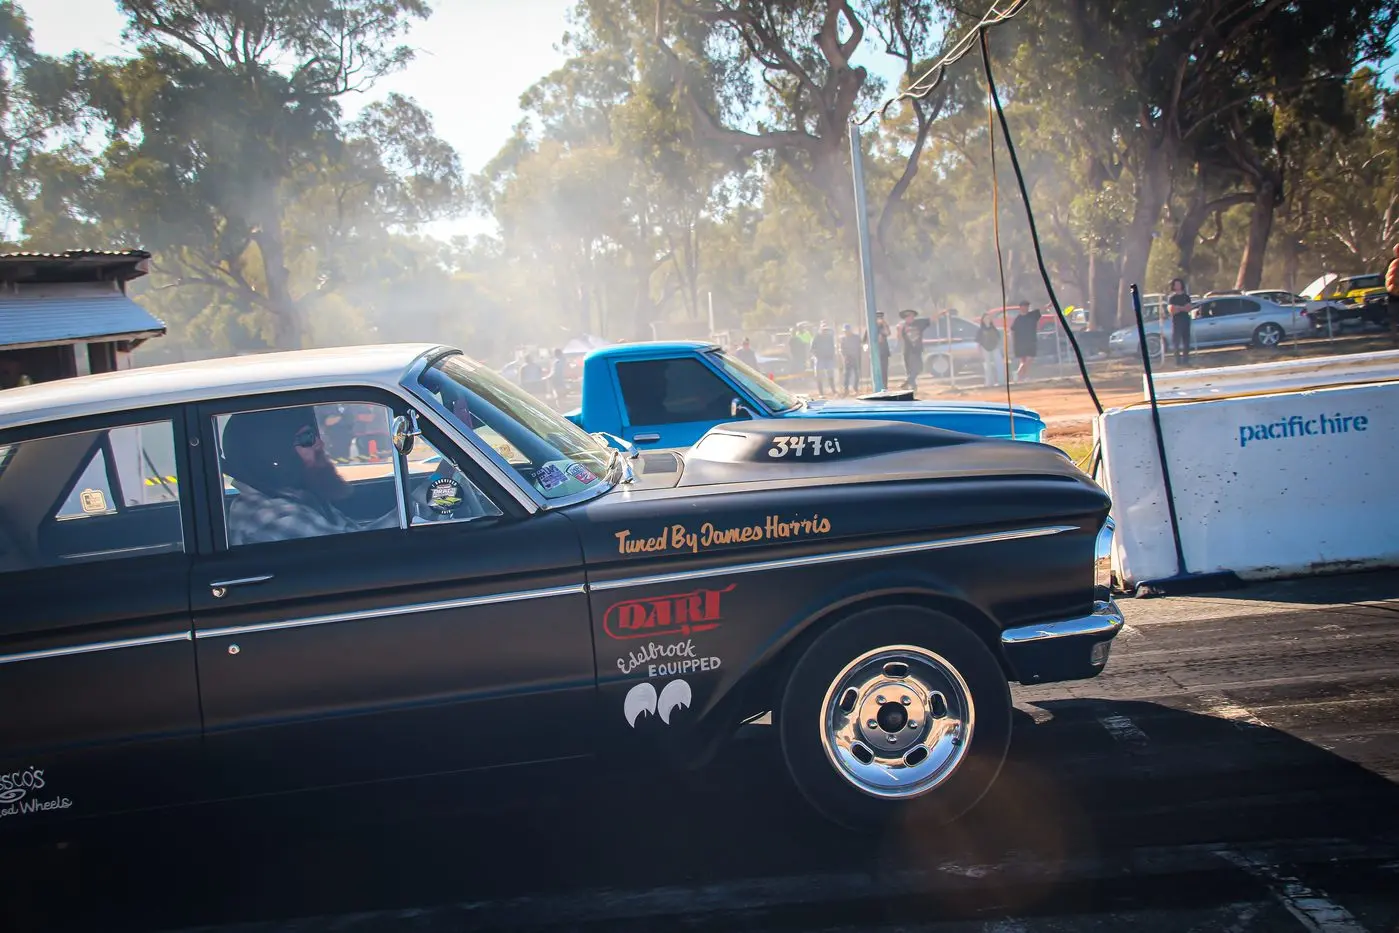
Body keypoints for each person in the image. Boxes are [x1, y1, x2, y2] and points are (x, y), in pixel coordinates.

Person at [221, 406, 399, 546]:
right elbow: (357, 556)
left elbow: (354, 536)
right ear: (275, 456)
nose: (320, 443)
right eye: (307, 439)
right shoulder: (275, 517)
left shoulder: (289, 498)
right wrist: (418, 506)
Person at [896, 309, 929, 390]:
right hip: (908, 351)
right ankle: (912, 386)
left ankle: (908, 383)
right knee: (911, 370)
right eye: (908, 317)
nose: (910, 318)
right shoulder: (902, 326)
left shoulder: (919, 323)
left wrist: (941, 313)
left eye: (911, 316)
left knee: (919, 368)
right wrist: (899, 330)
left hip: (917, 350)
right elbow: (899, 338)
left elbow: (931, 319)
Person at [1010, 301, 1041, 382]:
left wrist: (1049, 305)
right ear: (1020, 308)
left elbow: (1041, 310)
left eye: (1027, 306)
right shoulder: (1018, 319)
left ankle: (1019, 375)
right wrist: (1013, 342)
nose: (1026, 307)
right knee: (1023, 361)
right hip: (1020, 343)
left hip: (1031, 341)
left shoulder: (1032, 315)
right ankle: (1022, 376)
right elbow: (1012, 330)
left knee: (1029, 359)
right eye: (1024, 306)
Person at [1167, 277, 1193, 365]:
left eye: (1179, 284)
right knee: (1176, 342)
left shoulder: (1186, 297)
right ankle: (1177, 361)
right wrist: (1181, 308)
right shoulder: (1172, 297)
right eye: (1175, 284)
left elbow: (1189, 308)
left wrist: (1178, 308)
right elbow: (1171, 310)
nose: (1177, 286)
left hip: (1186, 320)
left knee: (1186, 341)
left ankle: (1186, 360)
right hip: (1176, 321)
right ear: (1173, 286)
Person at [863, 311, 891, 389]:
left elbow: (888, 333)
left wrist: (884, 324)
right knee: (876, 371)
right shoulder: (870, 327)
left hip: (884, 352)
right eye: (878, 318)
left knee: (884, 371)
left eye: (881, 318)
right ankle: (876, 386)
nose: (879, 319)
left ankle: (885, 386)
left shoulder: (884, 326)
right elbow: (864, 341)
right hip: (874, 353)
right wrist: (867, 349)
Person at [977, 313, 1004, 387]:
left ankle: (1001, 381)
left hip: (995, 348)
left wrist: (998, 346)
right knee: (987, 366)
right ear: (982, 320)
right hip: (985, 348)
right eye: (985, 318)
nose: (987, 320)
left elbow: (998, 338)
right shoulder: (981, 330)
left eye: (988, 318)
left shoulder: (994, 328)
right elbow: (978, 342)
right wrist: (980, 351)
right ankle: (989, 382)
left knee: (999, 364)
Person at [811, 322, 837, 396]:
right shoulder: (816, 337)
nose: (825, 331)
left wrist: (832, 355)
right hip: (819, 359)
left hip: (829, 358)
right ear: (820, 329)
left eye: (826, 329)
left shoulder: (830, 337)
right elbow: (812, 348)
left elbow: (832, 347)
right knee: (819, 376)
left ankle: (833, 390)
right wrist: (817, 355)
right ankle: (821, 393)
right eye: (824, 329)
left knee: (830, 375)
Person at [838, 324, 862, 396]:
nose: (846, 332)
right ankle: (846, 389)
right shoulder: (843, 339)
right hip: (848, 358)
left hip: (856, 357)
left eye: (847, 331)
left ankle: (855, 388)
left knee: (857, 373)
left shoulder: (856, 337)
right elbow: (841, 349)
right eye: (845, 331)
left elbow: (859, 346)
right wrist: (844, 356)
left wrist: (859, 355)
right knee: (847, 374)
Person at [1386, 243, 1398, 347]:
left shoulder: (1390, 263)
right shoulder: (1395, 263)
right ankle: (1394, 339)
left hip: (1392, 295)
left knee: (1393, 319)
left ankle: (1394, 339)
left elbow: (1381, 277)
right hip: (1394, 296)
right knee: (1394, 319)